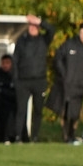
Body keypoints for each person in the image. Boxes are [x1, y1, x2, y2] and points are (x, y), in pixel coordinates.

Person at [47, 21, 83, 143]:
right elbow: (58, 58)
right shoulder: (69, 44)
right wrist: (63, 74)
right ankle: (65, 136)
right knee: (64, 112)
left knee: (74, 113)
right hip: (65, 85)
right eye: (81, 33)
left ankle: (72, 135)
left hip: (80, 87)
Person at [12, 14, 54, 142]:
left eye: (35, 26)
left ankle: (34, 137)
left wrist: (39, 21)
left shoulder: (44, 40)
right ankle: (18, 137)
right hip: (23, 81)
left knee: (38, 110)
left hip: (39, 80)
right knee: (21, 110)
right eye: (31, 25)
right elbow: (15, 60)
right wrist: (16, 80)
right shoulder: (21, 40)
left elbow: (52, 29)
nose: (32, 28)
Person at [0, 54, 18, 143]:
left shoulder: (15, 75)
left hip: (14, 103)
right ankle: (5, 138)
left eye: (8, 63)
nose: (5, 65)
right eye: (3, 63)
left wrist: (5, 91)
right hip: (1, 103)